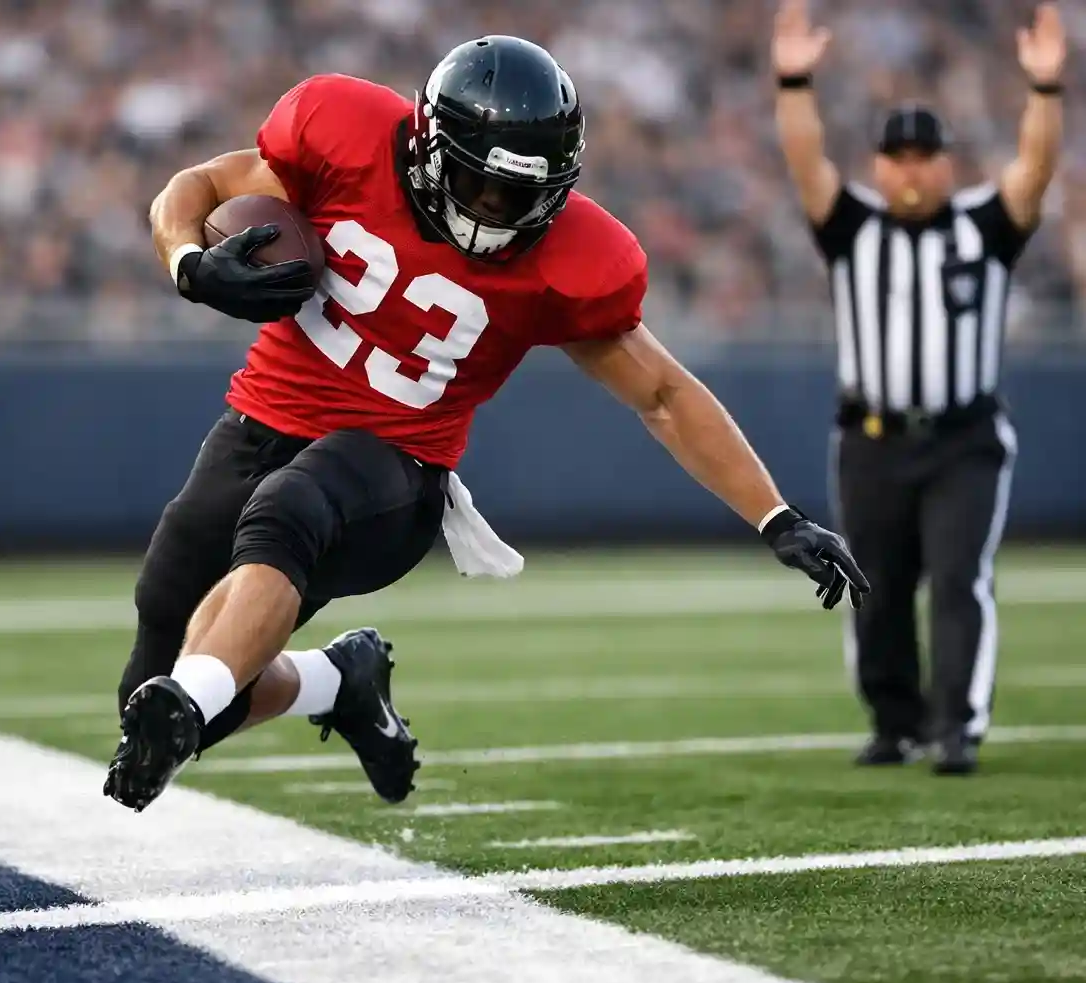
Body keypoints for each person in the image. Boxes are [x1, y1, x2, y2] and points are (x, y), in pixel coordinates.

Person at [104, 35, 870, 813]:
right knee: (153, 686)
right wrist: (190, 264)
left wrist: (774, 515)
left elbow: (663, 394)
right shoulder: (342, 133)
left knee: (280, 525)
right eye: (480, 182)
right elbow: (197, 186)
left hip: (395, 472)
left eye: (519, 193)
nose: (495, 211)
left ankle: (197, 695)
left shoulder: (570, 261)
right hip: (261, 425)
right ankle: (336, 683)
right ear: (430, 146)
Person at [771, 1, 1064, 774]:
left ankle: (957, 724)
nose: (907, 168)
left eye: (922, 155)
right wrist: (794, 78)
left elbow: (1034, 172)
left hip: (962, 438)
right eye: (895, 156)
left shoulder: (985, 224)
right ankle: (893, 722)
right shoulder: (853, 227)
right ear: (878, 165)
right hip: (869, 438)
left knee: (959, 579)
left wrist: (1045, 92)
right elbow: (805, 162)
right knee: (876, 581)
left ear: (946, 163)